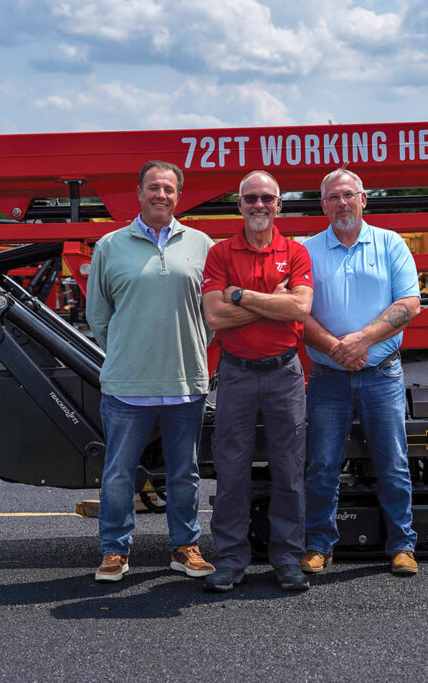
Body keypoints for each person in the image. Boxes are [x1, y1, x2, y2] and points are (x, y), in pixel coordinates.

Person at [85, 160, 216, 583]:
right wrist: (129, 352)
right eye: (153, 187)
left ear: (179, 195)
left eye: (169, 188)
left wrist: (192, 350)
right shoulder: (110, 246)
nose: (161, 194)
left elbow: (211, 316)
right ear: (138, 192)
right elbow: (99, 316)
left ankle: (185, 547)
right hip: (127, 385)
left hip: (186, 382)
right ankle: (114, 552)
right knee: (119, 473)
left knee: (185, 472)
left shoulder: (201, 244)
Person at [300, 168, 422, 575]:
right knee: (321, 465)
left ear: (363, 198)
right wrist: (338, 348)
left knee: (393, 463)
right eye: (333, 198)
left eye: (348, 195)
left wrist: (362, 341)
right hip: (328, 377)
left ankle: (402, 546)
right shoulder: (308, 250)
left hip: (381, 374)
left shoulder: (390, 244)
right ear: (323, 205)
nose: (341, 203)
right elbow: (298, 313)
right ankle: (319, 545)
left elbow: (409, 303)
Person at [201, 170, 314, 593]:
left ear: (279, 204)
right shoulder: (220, 253)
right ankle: (230, 559)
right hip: (236, 374)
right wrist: (275, 303)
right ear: (240, 204)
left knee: (289, 469)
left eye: (268, 198)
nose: (259, 205)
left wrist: (239, 294)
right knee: (231, 470)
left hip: (285, 374)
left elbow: (300, 309)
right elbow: (215, 316)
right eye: (251, 198)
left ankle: (287, 558)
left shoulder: (296, 252)